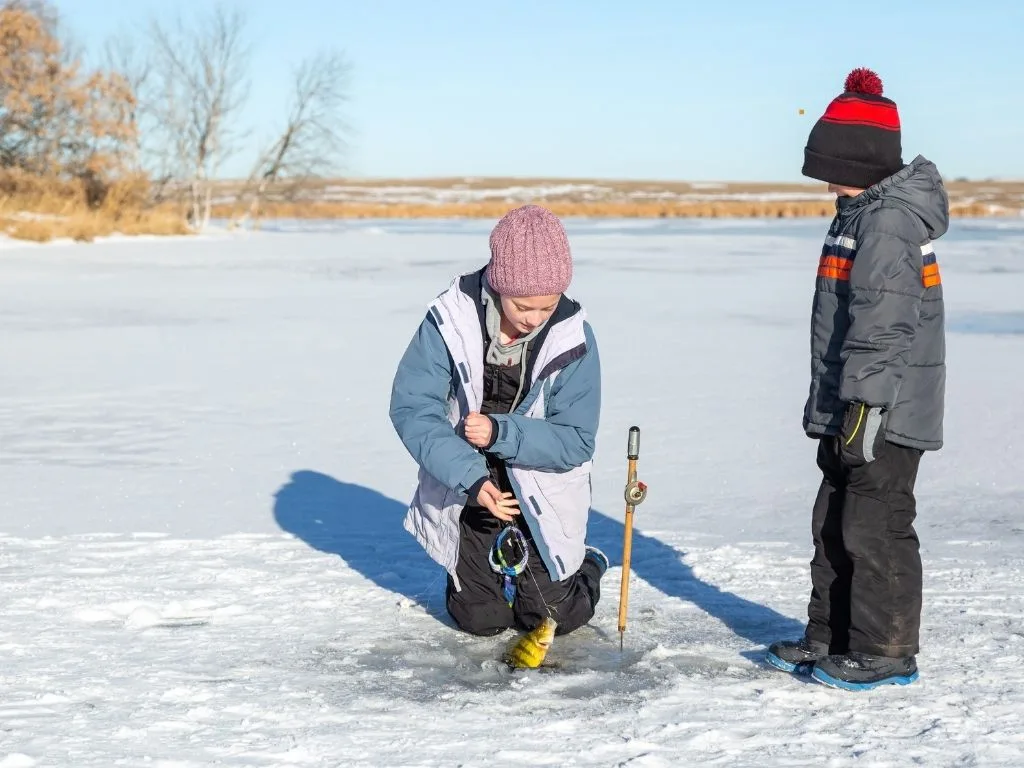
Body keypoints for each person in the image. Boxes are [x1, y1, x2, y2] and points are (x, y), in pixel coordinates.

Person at [766, 68, 949, 690]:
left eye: (827, 166)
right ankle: (831, 635)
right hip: (851, 403)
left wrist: (867, 410)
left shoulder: (888, 223)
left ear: (862, 162)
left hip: (886, 411)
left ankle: (885, 647)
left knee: (875, 524)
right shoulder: (858, 213)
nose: (821, 181)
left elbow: (884, 325)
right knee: (833, 519)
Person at [389, 204, 608, 639]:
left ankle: (588, 564)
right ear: (498, 283)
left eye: (547, 307)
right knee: (480, 620)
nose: (534, 318)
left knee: (551, 617)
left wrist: (500, 432)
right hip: (467, 481)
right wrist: (471, 478)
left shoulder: (574, 338)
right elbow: (413, 408)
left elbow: (577, 440)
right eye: (523, 306)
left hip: (541, 482)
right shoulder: (448, 321)